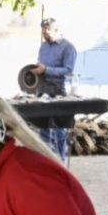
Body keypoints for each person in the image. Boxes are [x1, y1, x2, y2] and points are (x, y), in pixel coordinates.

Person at [29, 18, 76, 160]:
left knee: (59, 131)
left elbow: (68, 70)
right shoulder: (43, 47)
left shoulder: (68, 47)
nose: (45, 37)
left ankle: (61, 162)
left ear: (57, 30)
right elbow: (41, 66)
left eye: (47, 34)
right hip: (42, 89)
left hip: (58, 90)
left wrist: (47, 70)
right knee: (43, 129)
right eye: (43, 34)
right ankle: (46, 162)